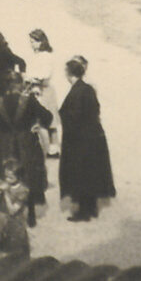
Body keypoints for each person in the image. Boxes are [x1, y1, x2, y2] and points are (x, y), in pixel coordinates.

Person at [58, 56, 116, 221]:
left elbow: (74, 117)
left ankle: (83, 212)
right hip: (94, 138)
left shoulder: (76, 91)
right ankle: (92, 208)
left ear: (69, 73)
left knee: (80, 174)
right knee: (91, 174)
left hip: (80, 140)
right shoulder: (88, 89)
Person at [0, 72, 52, 228]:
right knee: (28, 176)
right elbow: (47, 116)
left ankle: (6, 214)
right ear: (19, 84)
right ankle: (30, 214)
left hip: (6, 144)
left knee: (8, 175)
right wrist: (37, 123)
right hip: (26, 142)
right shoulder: (28, 100)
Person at [25, 28, 60, 158]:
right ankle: (53, 149)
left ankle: (48, 150)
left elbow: (44, 74)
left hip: (42, 90)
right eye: (31, 42)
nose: (32, 44)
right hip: (42, 89)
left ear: (41, 42)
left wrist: (30, 78)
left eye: (34, 42)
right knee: (50, 122)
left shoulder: (45, 56)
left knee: (43, 122)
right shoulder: (38, 56)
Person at [0, 158, 30, 257]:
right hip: (0, 221)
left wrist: (6, 193)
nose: (7, 180)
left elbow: (12, 210)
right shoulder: (1, 184)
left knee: (14, 251)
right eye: (6, 176)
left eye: (10, 177)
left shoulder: (23, 191)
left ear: (19, 177)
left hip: (14, 224)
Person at [0, 29, 26, 103]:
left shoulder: (3, 51)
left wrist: (21, 76)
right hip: (2, 81)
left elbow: (21, 62)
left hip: (5, 83)